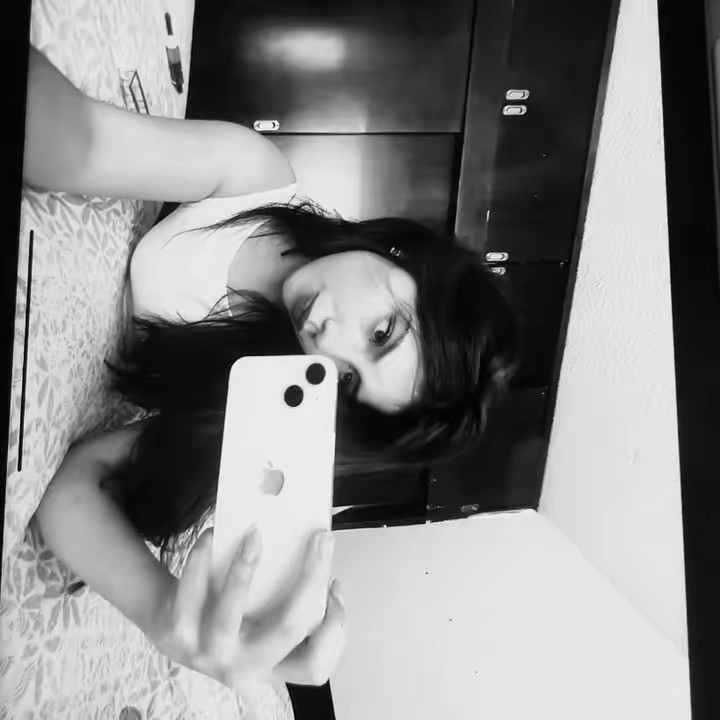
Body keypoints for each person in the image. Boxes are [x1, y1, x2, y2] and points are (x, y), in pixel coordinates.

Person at [27, 45, 519, 689]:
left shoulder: (270, 396)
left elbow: (74, 489)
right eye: (381, 332)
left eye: (349, 381)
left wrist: (163, 614)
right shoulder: (254, 179)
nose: (326, 345)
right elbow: (80, 140)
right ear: (409, 259)